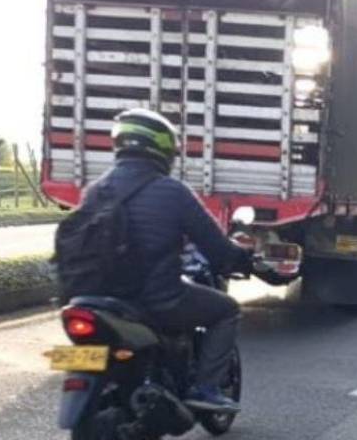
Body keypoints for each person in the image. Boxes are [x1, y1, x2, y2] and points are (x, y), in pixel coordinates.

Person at [81, 109, 252, 413]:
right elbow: (215, 246)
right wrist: (241, 259)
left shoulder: (95, 190)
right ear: (162, 147)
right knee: (227, 310)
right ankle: (206, 389)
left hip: (97, 298)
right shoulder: (172, 192)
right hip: (156, 299)